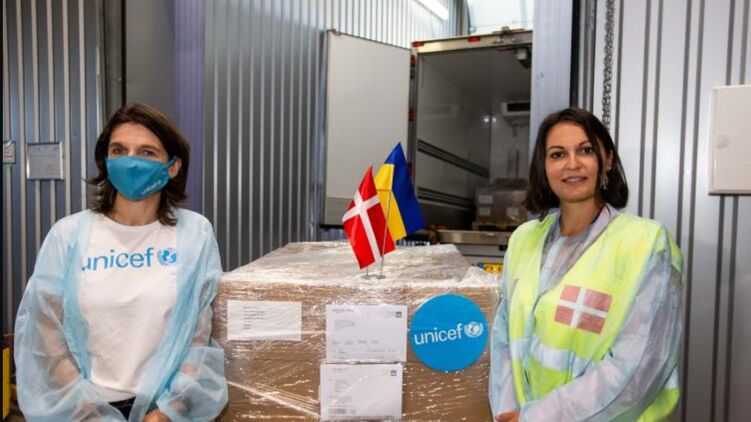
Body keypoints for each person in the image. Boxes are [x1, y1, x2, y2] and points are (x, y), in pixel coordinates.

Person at [14, 103, 228, 421]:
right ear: (106, 160)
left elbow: (200, 334)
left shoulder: (195, 233)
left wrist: (170, 410)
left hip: (162, 410)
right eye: (119, 150)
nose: (131, 161)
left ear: (173, 167)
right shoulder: (69, 235)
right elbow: (45, 333)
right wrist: (88, 413)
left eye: (147, 152)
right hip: (82, 410)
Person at [488, 108, 683, 421]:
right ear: (544, 167)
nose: (572, 164)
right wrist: (508, 411)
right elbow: (503, 339)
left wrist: (539, 417)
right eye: (557, 154)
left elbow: (641, 367)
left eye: (586, 150)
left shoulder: (646, 243)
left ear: (607, 159)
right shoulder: (524, 239)